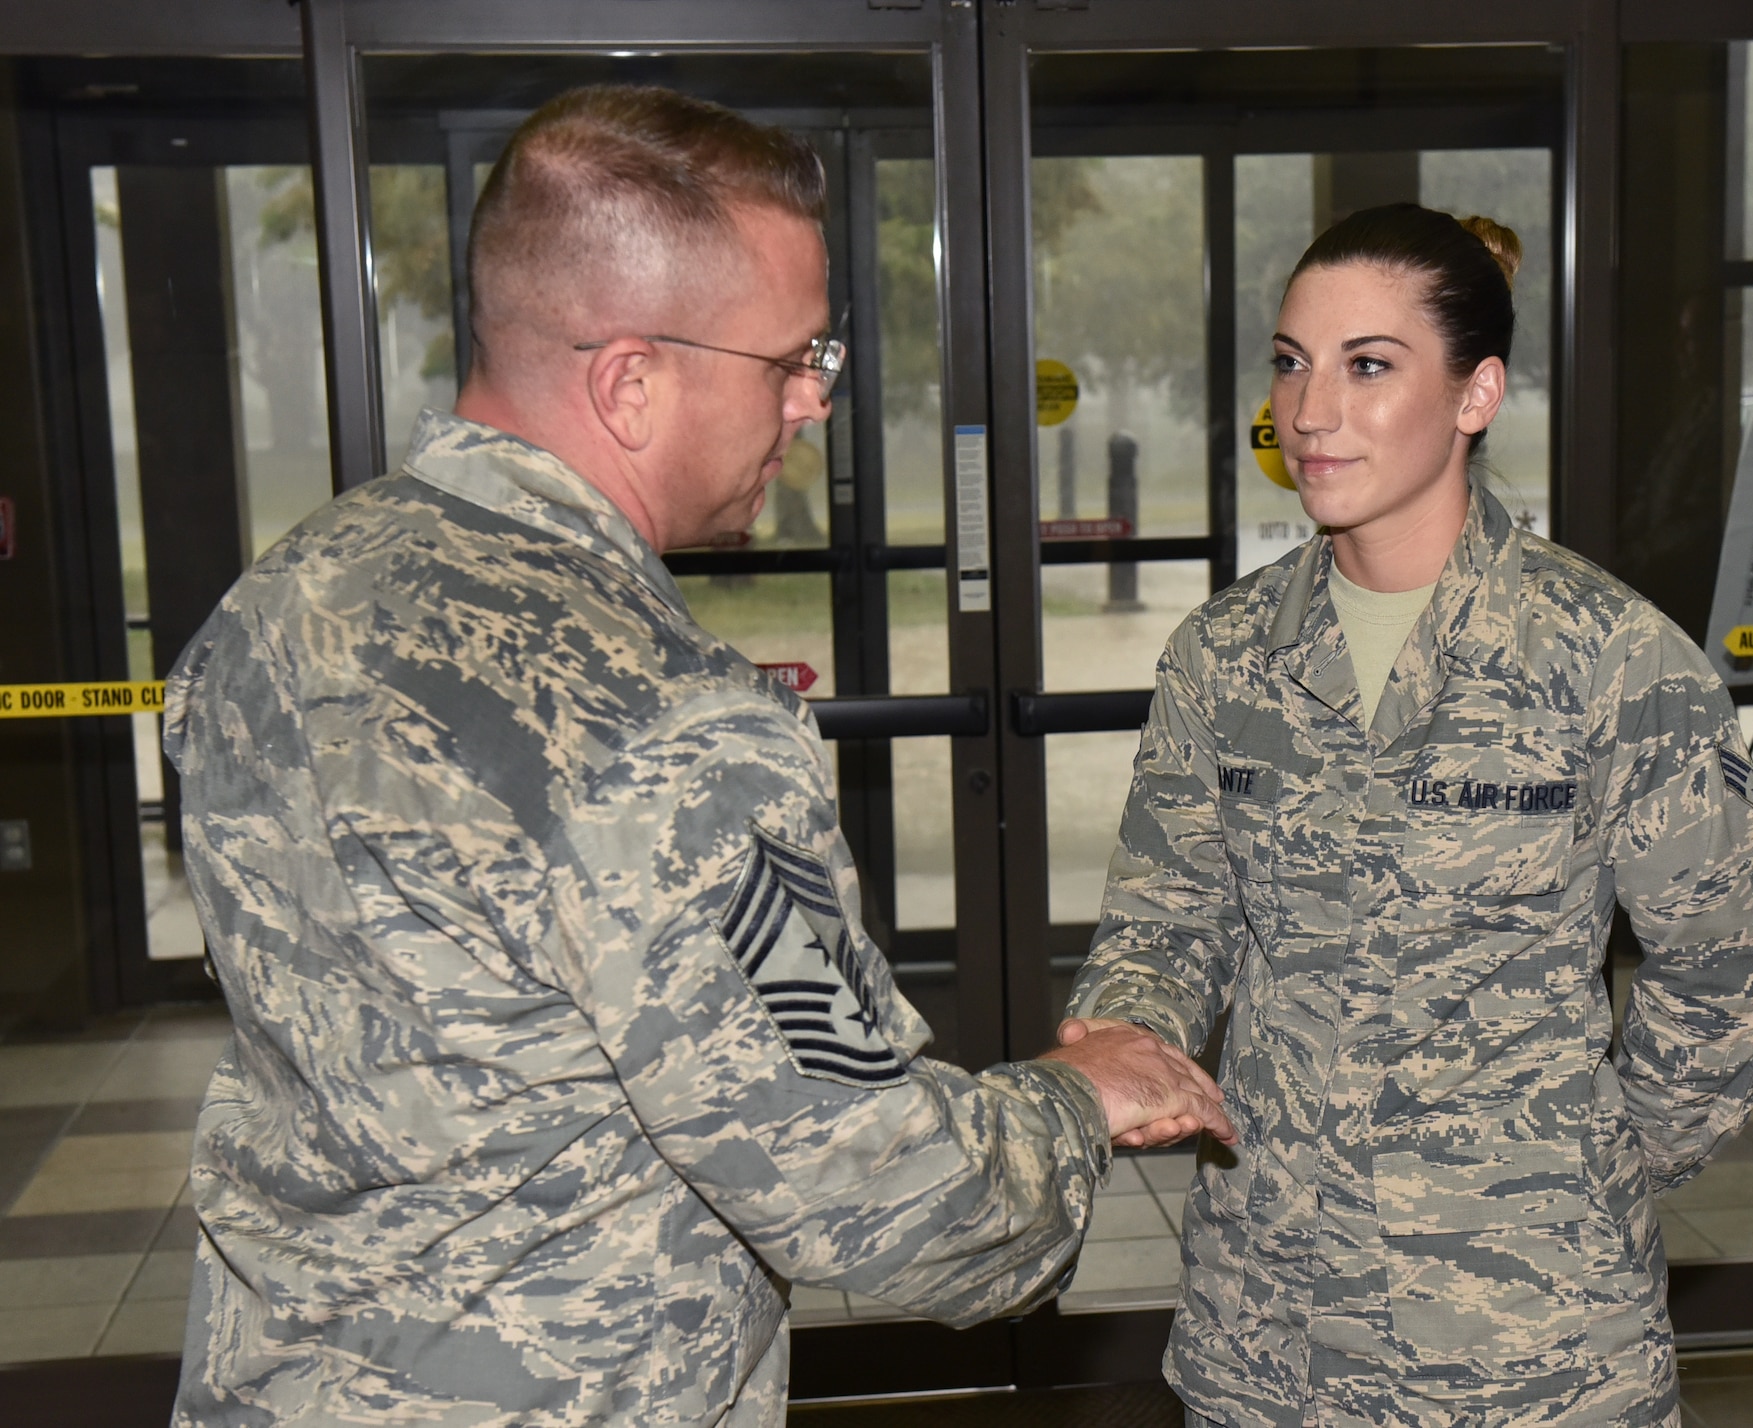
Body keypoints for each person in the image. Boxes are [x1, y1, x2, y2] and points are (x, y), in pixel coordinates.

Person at [166, 85, 1231, 1428]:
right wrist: (1076, 1105)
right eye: (793, 359)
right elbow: (877, 1198)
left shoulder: (278, 606)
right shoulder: (662, 727)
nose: (814, 403)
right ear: (630, 380)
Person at [1064, 204, 1753, 1428]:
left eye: (1367, 366)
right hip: (1270, 1330)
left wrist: (1587, 1164)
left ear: (1475, 395)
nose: (1310, 412)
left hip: (1529, 1341)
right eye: (1292, 363)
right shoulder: (1226, 656)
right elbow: (1164, 914)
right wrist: (1128, 1040)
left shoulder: (1605, 658)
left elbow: (1727, 967)